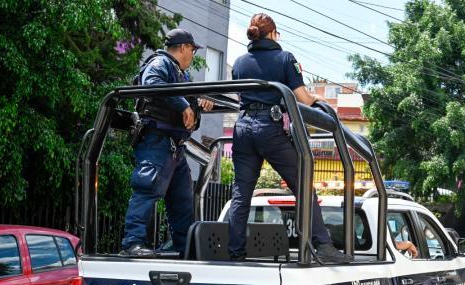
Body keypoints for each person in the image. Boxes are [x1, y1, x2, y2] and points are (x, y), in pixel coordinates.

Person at [228, 13, 350, 263]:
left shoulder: (240, 63)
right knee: (303, 184)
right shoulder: (285, 58)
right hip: (268, 129)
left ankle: (234, 252)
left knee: (241, 193)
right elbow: (303, 99)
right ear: (272, 34)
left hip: (242, 129)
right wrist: (319, 101)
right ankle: (323, 246)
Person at [120, 29, 214, 257]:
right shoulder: (160, 63)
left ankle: (186, 250)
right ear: (183, 47)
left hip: (175, 146)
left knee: (182, 202)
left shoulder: (181, 75)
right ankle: (132, 244)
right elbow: (151, 83)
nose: (192, 55)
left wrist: (200, 102)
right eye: (191, 50)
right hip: (157, 141)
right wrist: (183, 104)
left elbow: (188, 107)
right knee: (146, 189)